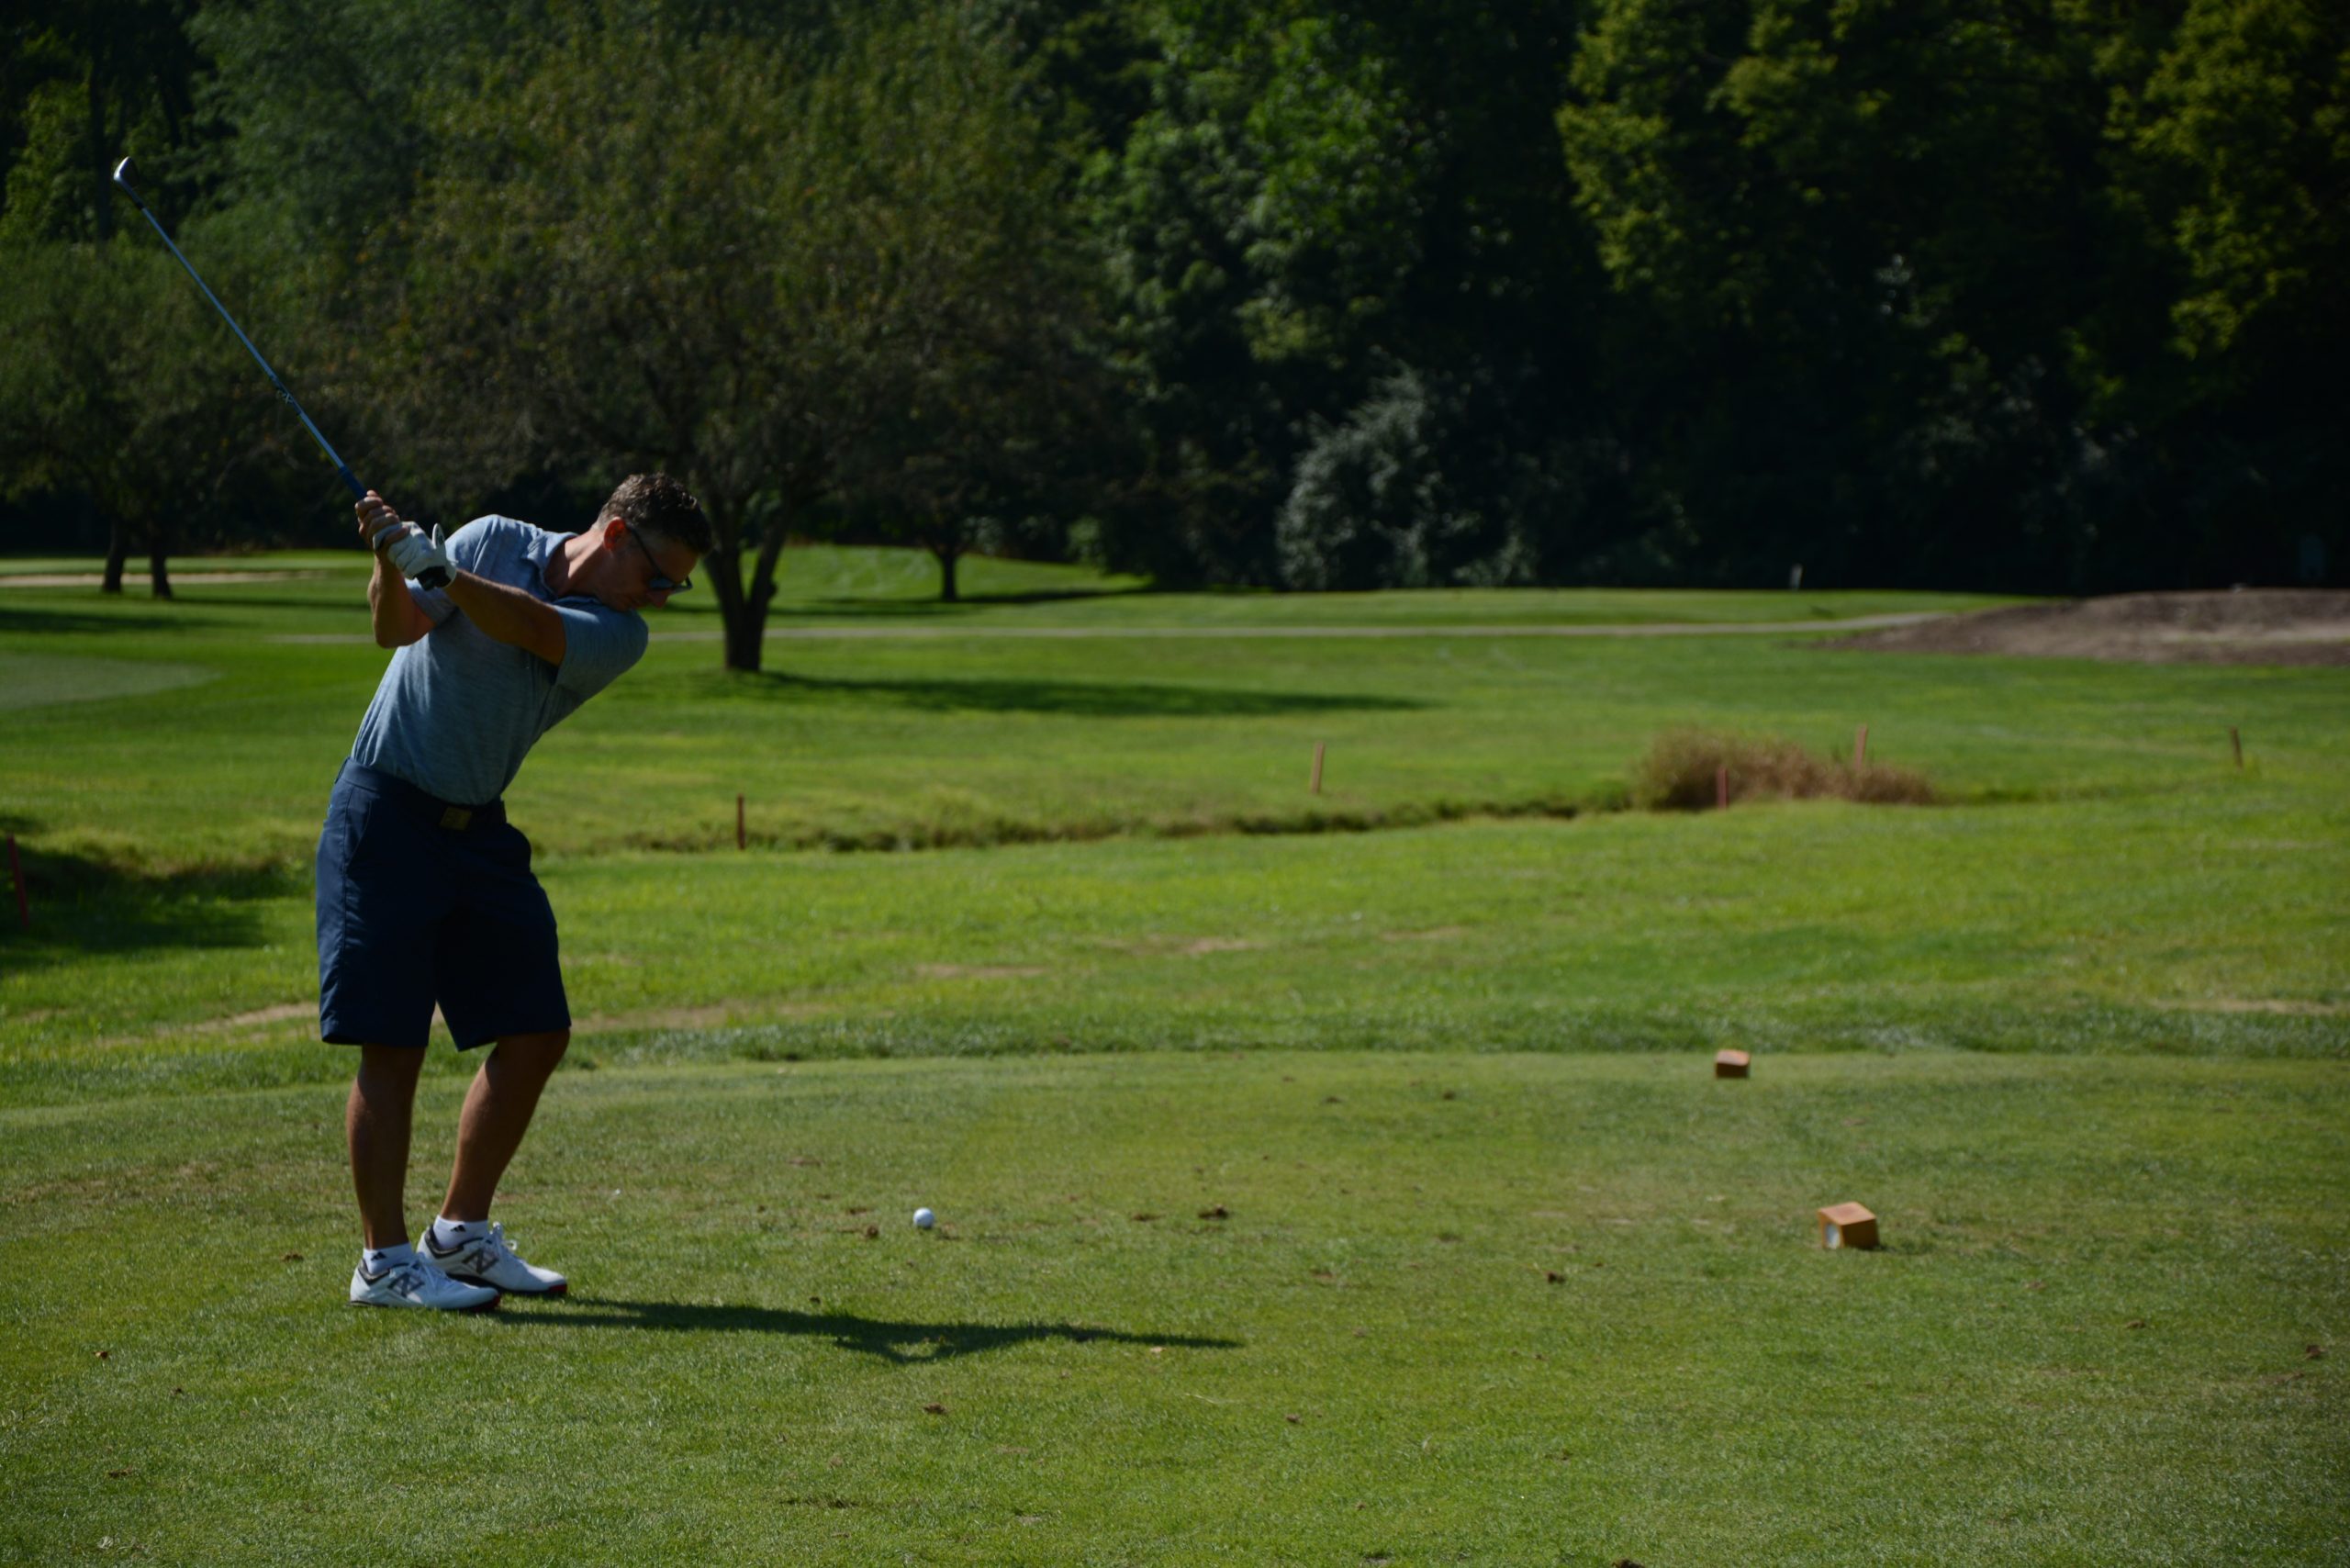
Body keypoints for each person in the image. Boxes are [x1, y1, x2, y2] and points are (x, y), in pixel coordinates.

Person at [321, 475, 711, 1310]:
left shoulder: (621, 632)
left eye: (674, 588)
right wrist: (391, 560)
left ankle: (459, 1236)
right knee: (392, 1041)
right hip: (386, 809)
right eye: (659, 578)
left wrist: (443, 572)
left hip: (478, 829)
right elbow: (395, 629)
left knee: (537, 1030)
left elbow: (530, 625)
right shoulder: (494, 537)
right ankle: (383, 1263)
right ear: (616, 537)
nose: (661, 599)